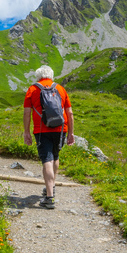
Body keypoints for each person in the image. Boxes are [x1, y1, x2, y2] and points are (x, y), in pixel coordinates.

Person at [23, 65, 74, 209]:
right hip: (60, 128)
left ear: (38, 76)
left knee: (47, 159)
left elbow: (27, 113)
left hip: (41, 129)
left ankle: (49, 197)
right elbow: (69, 113)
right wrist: (70, 133)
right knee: (55, 157)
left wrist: (26, 131)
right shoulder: (60, 89)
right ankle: (52, 186)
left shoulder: (32, 89)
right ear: (51, 75)